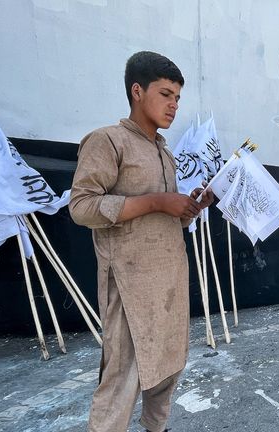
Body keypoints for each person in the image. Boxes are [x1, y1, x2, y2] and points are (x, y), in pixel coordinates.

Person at [69, 51, 214, 432]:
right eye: (166, 94)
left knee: (168, 364)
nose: (174, 105)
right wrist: (154, 201)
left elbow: (164, 219)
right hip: (130, 283)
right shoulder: (108, 141)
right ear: (137, 90)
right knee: (122, 374)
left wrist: (188, 207)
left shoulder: (165, 151)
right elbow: (81, 207)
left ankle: (157, 428)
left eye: (178, 98)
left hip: (169, 279)